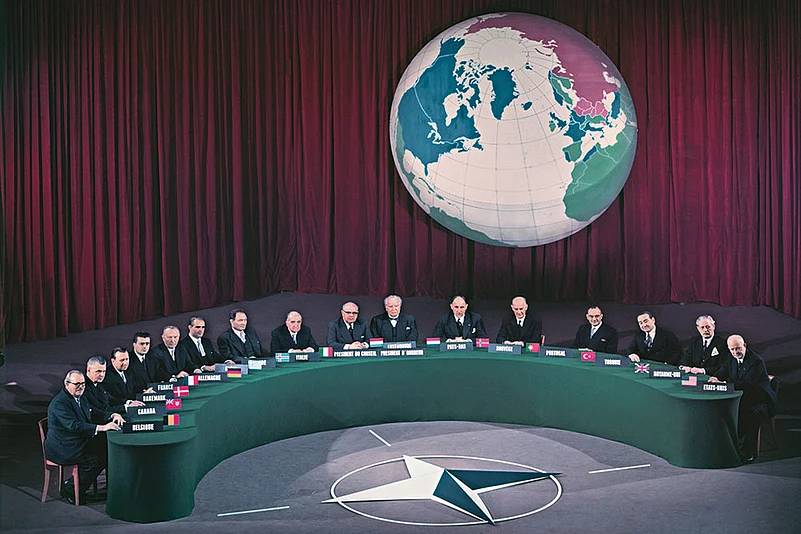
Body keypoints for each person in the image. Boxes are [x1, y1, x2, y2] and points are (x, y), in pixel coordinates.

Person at [45, 370, 122, 504]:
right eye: (77, 384)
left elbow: (92, 412)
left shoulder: (79, 397)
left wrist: (112, 415)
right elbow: (74, 426)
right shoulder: (60, 403)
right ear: (67, 384)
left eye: (83, 384)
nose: (80, 387)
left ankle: (82, 486)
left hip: (75, 441)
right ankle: (71, 488)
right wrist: (102, 427)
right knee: (96, 458)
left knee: (106, 448)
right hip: (64, 447)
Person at [708, 335, 777, 462]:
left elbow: (747, 385)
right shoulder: (731, 357)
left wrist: (724, 384)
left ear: (744, 346)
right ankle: (728, 445)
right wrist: (715, 378)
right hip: (743, 397)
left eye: (738, 349)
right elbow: (722, 371)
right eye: (732, 349)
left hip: (760, 399)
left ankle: (748, 451)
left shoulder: (756, 361)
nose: (735, 352)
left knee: (750, 414)